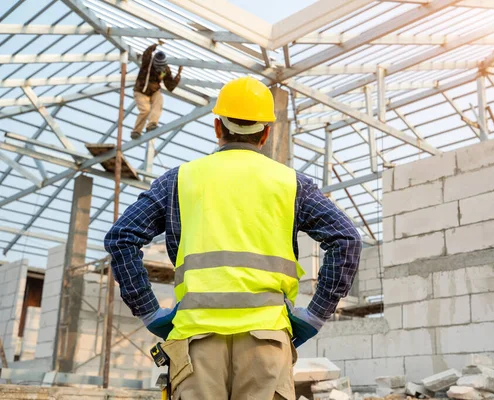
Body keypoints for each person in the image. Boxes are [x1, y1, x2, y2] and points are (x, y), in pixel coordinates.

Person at [104, 76, 362, 400]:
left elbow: (121, 237)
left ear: (217, 127)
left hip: (194, 342)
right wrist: (315, 314)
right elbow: (347, 239)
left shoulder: (179, 181)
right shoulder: (292, 184)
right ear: (266, 132)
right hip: (267, 344)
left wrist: (149, 311)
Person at [131, 42, 182, 139]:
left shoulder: (165, 69)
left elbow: (169, 86)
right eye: (158, 67)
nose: (160, 70)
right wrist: (155, 45)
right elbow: (146, 53)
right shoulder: (148, 63)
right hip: (141, 91)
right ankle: (136, 131)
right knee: (145, 110)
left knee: (159, 101)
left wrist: (178, 75)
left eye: (161, 67)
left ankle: (152, 124)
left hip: (154, 91)